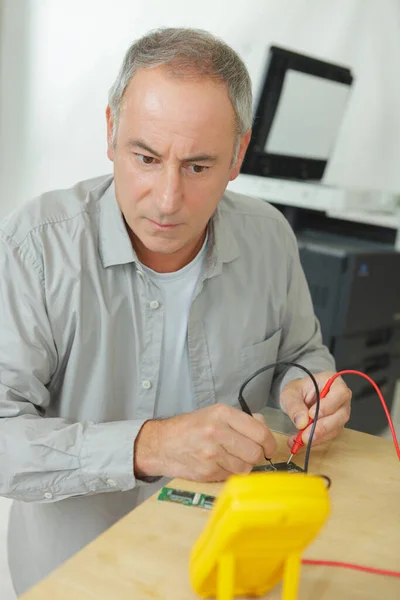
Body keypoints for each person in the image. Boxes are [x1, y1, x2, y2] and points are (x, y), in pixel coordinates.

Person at [0, 27, 351, 595]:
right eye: (145, 157)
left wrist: (304, 389)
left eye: (198, 166)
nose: (166, 200)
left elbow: (301, 354)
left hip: (226, 565)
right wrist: (152, 444)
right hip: (75, 578)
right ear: (111, 132)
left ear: (238, 154)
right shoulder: (33, 248)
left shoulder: (270, 239)